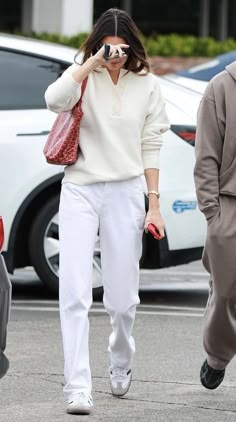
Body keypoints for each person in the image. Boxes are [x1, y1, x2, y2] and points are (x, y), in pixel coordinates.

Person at [45, 7, 169, 415]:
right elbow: (54, 100)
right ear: (97, 44)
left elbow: (151, 143)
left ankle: (121, 358)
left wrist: (154, 204)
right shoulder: (83, 72)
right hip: (80, 188)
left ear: (133, 46)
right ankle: (77, 386)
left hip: (126, 190)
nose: (116, 55)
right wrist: (92, 63)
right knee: (74, 292)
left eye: (121, 48)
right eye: (107, 47)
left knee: (121, 299)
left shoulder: (147, 84)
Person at [194, 61, 236, 390]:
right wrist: (213, 213)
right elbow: (206, 154)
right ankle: (217, 356)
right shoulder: (221, 87)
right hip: (229, 203)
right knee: (226, 294)